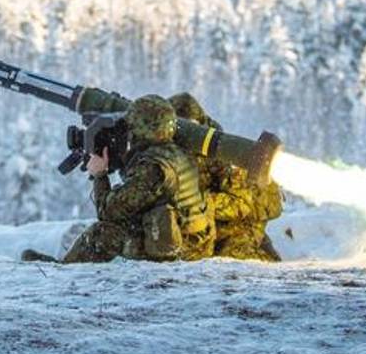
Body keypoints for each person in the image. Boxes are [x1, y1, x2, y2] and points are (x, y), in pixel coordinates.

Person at [22, 95, 214, 264]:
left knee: (102, 233)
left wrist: (100, 174)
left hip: (183, 251)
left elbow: (108, 213)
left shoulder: (153, 167)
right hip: (196, 241)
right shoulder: (178, 152)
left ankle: (63, 270)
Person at [167, 92, 283, 262]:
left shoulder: (224, 152)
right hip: (210, 225)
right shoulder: (178, 153)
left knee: (236, 260)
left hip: (240, 228)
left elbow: (241, 204)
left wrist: (200, 202)